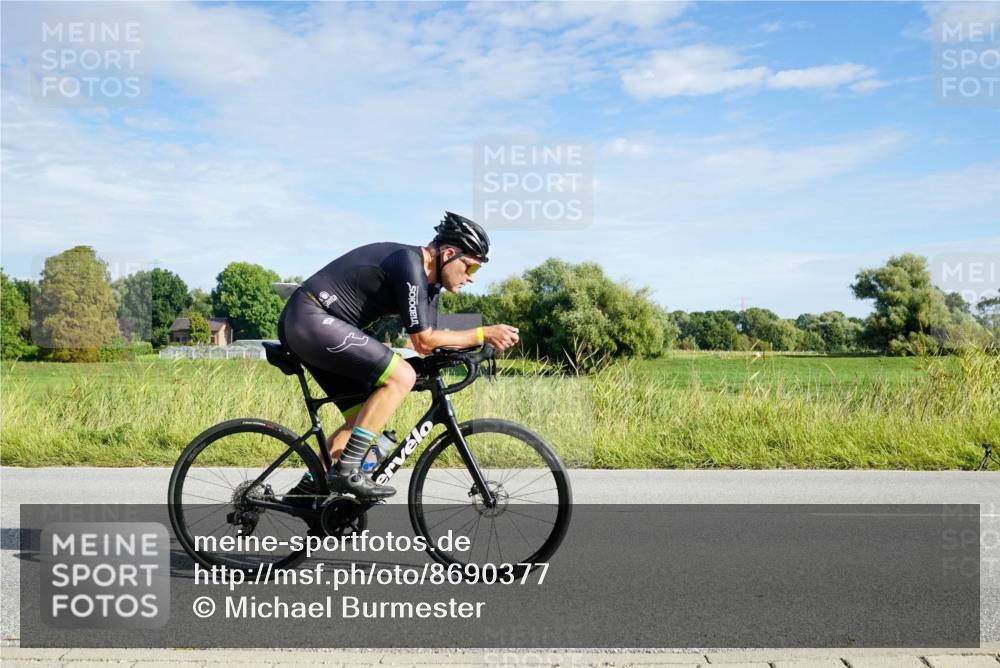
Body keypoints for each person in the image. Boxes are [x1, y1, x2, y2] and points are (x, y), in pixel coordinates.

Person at [278, 212, 520, 499]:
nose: (470, 278)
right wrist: (482, 333)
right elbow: (423, 340)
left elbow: (433, 342)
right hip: (310, 317)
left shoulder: (430, 287)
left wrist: (476, 351)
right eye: (471, 268)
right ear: (450, 254)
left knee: (363, 418)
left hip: (317, 327)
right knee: (401, 376)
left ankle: (306, 494)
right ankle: (346, 472)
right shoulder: (410, 263)